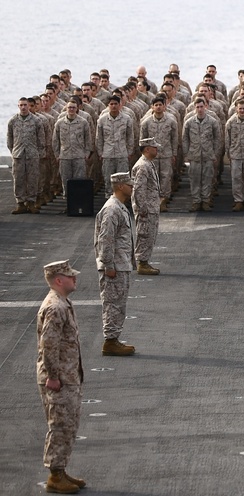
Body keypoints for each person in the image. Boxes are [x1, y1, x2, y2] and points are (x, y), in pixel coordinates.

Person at [36, 260, 87, 494]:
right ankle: (55, 476)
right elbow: (49, 345)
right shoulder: (55, 307)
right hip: (59, 379)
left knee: (68, 425)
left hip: (67, 375)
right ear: (58, 280)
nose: (74, 278)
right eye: (69, 276)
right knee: (59, 425)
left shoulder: (63, 303)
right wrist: (54, 376)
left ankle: (61, 470)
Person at [95, 172, 137, 355]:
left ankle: (114, 338)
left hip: (121, 264)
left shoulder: (119, 207)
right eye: (129, 184)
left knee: (118, 304)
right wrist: (109, 265)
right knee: (113, 304)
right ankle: (110, 341)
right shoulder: (112, 209)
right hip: (115, 267)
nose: (132, 187)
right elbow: (106, 239)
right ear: (120, 186)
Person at [8, 97, 47, 213]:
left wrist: (40, 153)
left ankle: (31, 202)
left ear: (29, 106)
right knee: (18, 178)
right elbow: (10, 138)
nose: (24, 107)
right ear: (18, 106)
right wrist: (13, 151)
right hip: (18, 154)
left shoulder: (36, 120)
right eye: (21, 105)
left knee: (33, 179)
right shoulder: (13, 121)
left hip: (32, 154)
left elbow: (41, 139)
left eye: (25, 105)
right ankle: (20, 203)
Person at [131, 138, 161, 275]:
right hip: (146, 208)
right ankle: (142, 263)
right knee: (144, 234)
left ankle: (144, 261)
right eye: (154, 147)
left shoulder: (148, 164)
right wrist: (142, 208)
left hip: (151, 207)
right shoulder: (143, 166)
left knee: (149, 235)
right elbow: (138, 189)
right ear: (147, 149)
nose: (157, 149)